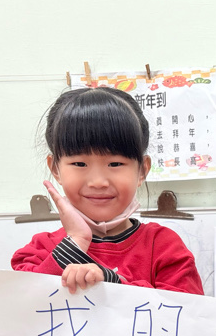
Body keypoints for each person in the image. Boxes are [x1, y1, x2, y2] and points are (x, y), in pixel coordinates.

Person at [12, 87, 203, 296]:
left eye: (115, 164)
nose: (98, 182)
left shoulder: (164, 247)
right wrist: (75, 242)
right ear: (55, 169)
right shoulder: (40, 249)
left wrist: (111, 283)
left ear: (142, 170)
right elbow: (21, 302)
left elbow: (187, 310)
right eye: (79, 163)